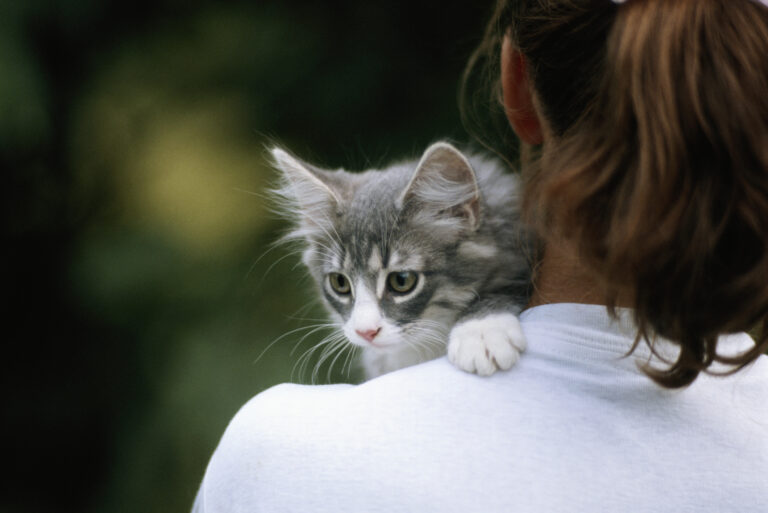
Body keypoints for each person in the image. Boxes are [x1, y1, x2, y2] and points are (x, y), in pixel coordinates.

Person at [192, 1, 768, 511]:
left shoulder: (288, 453)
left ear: (515, 81)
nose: (363, 325)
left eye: (398, 283)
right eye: (342, 288)